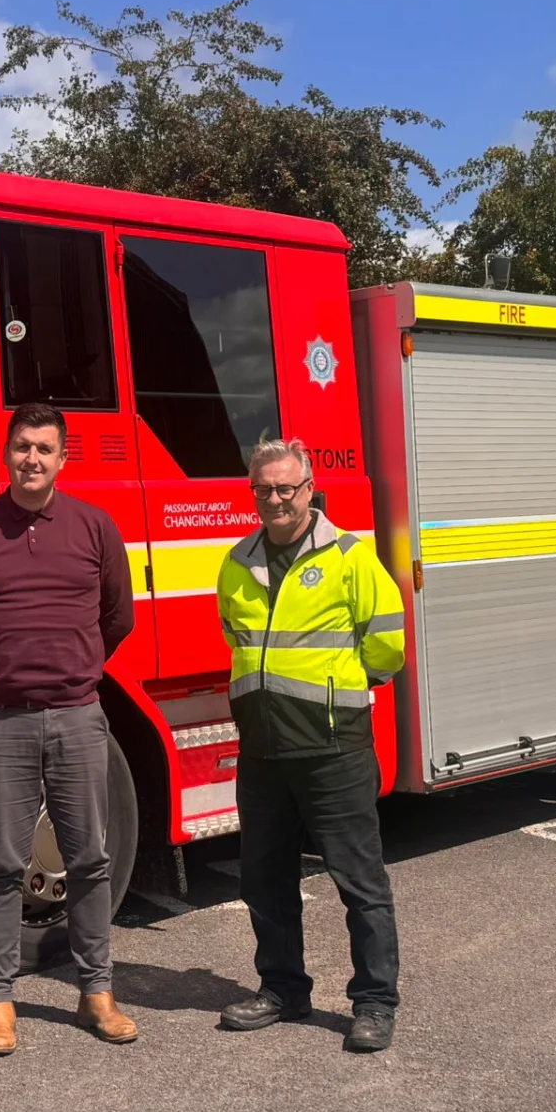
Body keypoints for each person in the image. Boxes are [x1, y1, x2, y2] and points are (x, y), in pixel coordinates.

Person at [0, 401, 139, 1057]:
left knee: (90, 859)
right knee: (0, 866)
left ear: (62, 458)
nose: (32, 460)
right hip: (0, 722)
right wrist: (0, 671)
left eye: (45, 449)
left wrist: (72, 671)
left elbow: (118, 617)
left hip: (80, 717)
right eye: (23, 447)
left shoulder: (94, 528)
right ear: (6, 452)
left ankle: (96, 994)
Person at [214, 438, 408, 1052]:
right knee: (263, 879)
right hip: (264, 751)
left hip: (333, 748)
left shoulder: (351, 556)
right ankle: (283, 990)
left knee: (359, 882)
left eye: (286, 488)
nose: (275, 499)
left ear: (309, 490)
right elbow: (234, 637)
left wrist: (336, 693)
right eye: (263, 489)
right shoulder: (237, 562)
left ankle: (374, 1002)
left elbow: (387, 646)